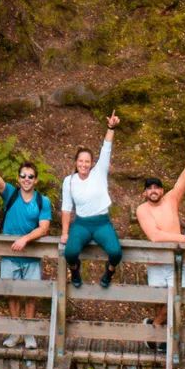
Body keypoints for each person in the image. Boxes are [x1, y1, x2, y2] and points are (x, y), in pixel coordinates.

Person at [0, 146, 53, 342]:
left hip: (32, 255)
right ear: (18, 179)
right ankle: (15, 331)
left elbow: (44, 228)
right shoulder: (11, 194)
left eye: (30, 176)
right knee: (12, 294)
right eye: (23, 176)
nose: (26, 179)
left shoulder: (43, 201)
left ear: (36, 180)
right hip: (9, 254)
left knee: (31, 294)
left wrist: (25, 238)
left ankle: (29, 333)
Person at [59, 112, 124, 287]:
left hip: (102, 222)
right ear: (75, 162)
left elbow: (106, 147)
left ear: (92, 163)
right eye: (80, 161)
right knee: (70, 253)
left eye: (87, 161)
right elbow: (66, 208)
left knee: (116, 253)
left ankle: (109, 272)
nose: (84, 164)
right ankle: (75, 270)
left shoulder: (99, 172)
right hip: (82, 224)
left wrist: (110, 128)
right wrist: (65, 232)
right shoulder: (69, 181)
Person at [133, 146, 185, 288]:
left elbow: (182, 182)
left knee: (178, 301)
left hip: (176, 259)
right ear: (144, 193)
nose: (153, 191)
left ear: (162, 190)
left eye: (156, 187)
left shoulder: (171, 199)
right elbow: (155, 236)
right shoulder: (142, 210)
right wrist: (184, 238)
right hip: (156, 262)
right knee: (159, 303)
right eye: (149, 188)